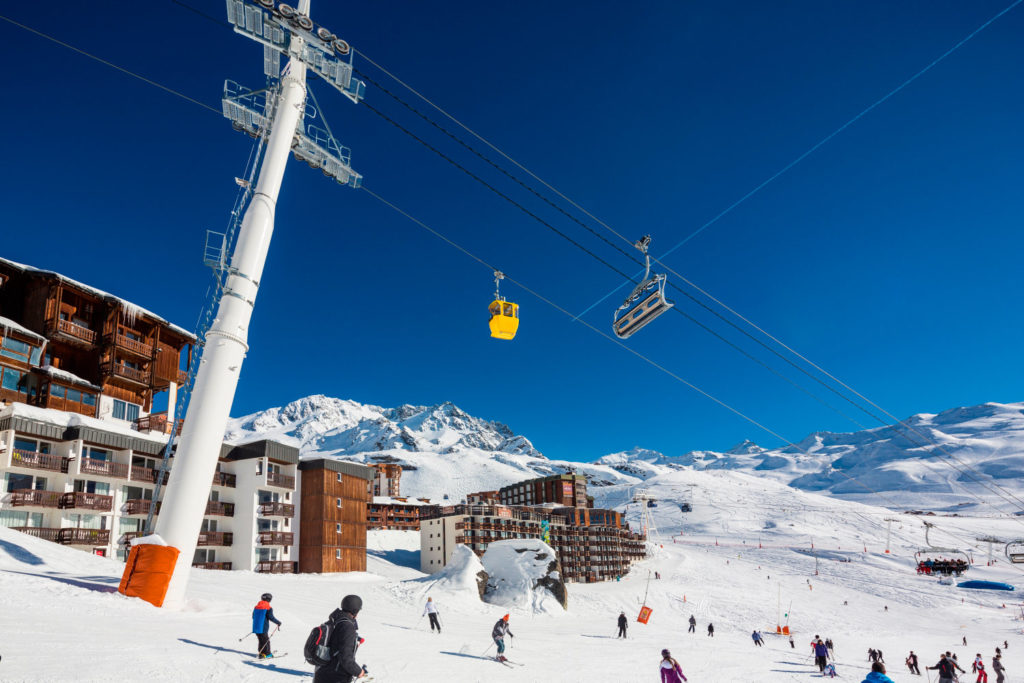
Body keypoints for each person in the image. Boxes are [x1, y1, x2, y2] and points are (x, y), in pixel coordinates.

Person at [312, 594, 365, 683]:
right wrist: (358, 671)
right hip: (336, 677)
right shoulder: (347, 626)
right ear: (356, 611)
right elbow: (345, 657)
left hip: (321, 673)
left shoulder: (333, 621)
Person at [252, 592, 282, 659]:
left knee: (261, 640)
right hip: (263, 627)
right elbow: (271, 617)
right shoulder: (268, 608)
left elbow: (253, 616)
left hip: (256, 627)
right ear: (269, 599)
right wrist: (278, 622)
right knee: (266, 641)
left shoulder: (256, 607)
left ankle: (261, 653)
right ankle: (267, 654)